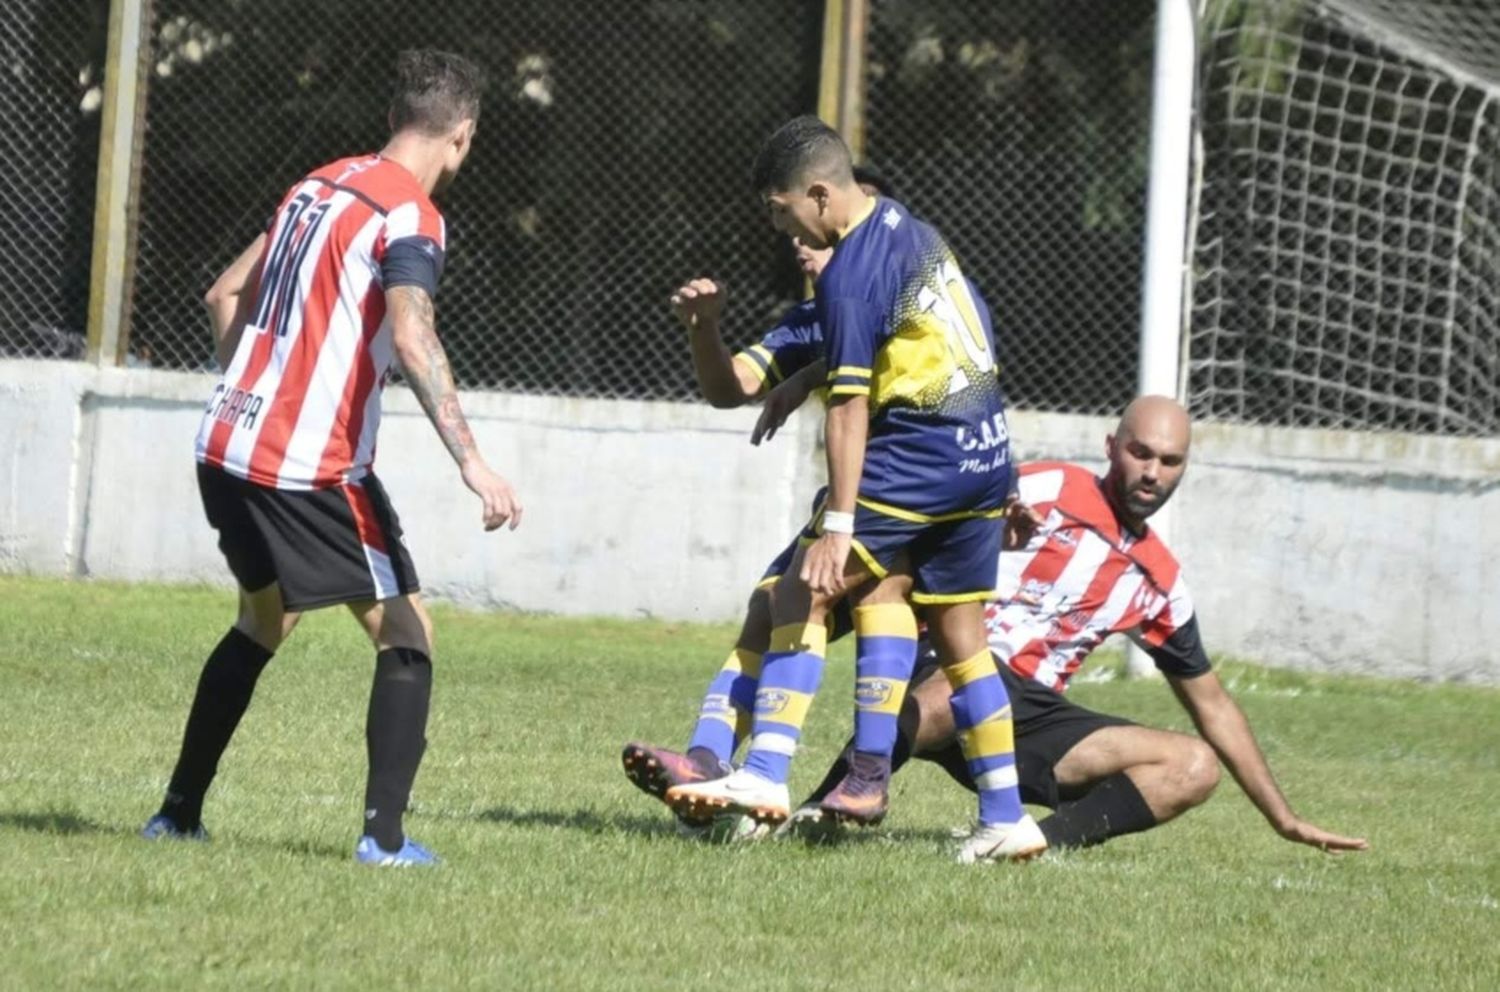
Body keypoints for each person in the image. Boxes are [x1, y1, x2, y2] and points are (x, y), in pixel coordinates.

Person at [140, 50, 522, 867]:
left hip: (223, 445)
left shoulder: (316, 184)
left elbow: (223, 294)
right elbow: (414, 335)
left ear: (394, 120)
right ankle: (384, 842)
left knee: (263, 620)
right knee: (409, 634)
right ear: (463, 135)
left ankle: (176, 814)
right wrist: (474, 462)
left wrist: (261, 384)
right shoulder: (412, 215)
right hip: (309, 469)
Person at [663, 116, 1042, 863]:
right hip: (982, 460)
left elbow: (851, 406)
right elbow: (735, 385)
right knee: (959, 641)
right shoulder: (914, 235)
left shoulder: (848, 277)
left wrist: (838, 524)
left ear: (819, 194)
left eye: (781, 211)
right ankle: (1003, 817)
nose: (780, 230)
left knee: (800, 589)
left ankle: (763, 775)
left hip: (918, 457)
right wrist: (708, 330)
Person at [786, 395, 1369, 856]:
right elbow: (972, 489)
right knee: (955, 689)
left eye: (1170, 462)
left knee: (1191, 766)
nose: (1152, 472)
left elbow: (1212, 704)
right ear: (1112, 446)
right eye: (1141, 453)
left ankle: (1026, 844)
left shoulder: (1159, 581)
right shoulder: (1051, 487)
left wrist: (1283, 818)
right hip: (949, 658)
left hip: (1031, 717)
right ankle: (820, 811)